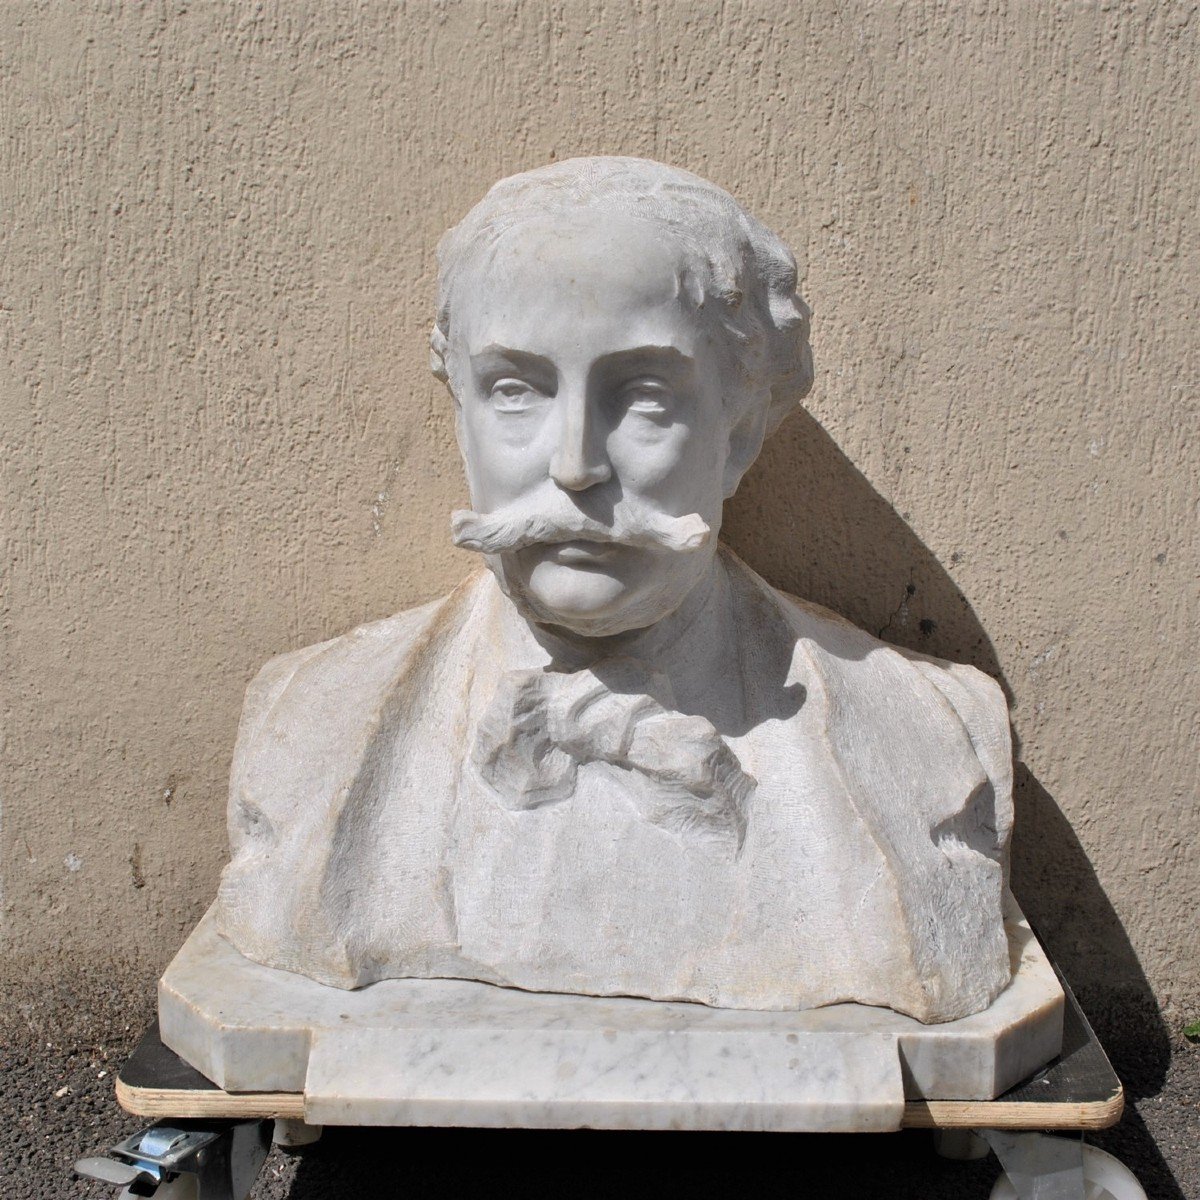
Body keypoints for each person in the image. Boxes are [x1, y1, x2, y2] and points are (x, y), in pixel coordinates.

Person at [216, 158, 1014, 1023]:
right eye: (515, 390)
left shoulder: (933, 737)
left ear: (740, 430)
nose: (574, 467)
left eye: (641, 395)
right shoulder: (308, 723)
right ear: (461, 415)